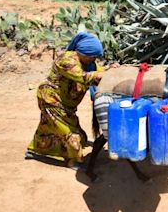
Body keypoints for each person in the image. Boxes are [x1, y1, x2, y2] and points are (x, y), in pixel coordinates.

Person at [26, 32, 110, 169]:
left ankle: (36, 150)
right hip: (51, 100)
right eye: (92, 56)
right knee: (71, 135)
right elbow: (84, 77)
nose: (94, 59)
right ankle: (73, 161)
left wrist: (111, 70)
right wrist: (105, 74)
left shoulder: (88, 63)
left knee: (53, 128)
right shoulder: (66, 60)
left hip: (66, 105)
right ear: (84, 53)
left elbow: (99, 71)